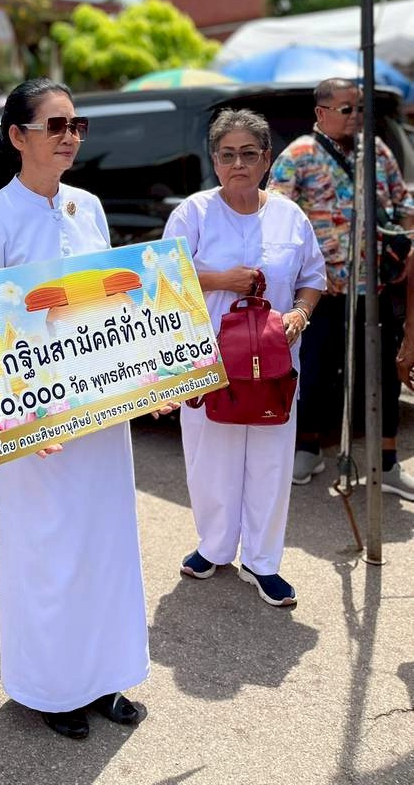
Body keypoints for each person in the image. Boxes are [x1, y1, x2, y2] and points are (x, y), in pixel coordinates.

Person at [0, 78, 150, 741]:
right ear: (18, 136)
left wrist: (150, 378)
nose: (70, 136)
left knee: (104, 545)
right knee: (47, 553)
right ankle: (51, 687)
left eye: (77, 125)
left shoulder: (88, 207)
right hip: (37, 420)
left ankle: (105, 675)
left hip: (100, 414)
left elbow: (116, 309)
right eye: (56, 125)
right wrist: (18, 418)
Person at [164, 109, 325, 607]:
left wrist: (300, 313)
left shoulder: (289, 216)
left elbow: (312, 279)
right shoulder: (193, 213)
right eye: (228, 154)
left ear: (266, 159)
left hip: (274, 363)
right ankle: (213, 547)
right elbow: (163, 279)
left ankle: (262, 561)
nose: (238, 164)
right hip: (209, 360)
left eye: (248, 154)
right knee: (210, 457)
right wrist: (220, 280)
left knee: (270, 461)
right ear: (215, 161)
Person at [268, 79, 414, 499]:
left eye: (360, 109)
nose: (355, 117)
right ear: (322, 113)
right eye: (346, 109)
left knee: (382, 373)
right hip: (323, 291)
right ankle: (307, 449)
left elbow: (403, 203)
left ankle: (386, 462)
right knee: (313, 371)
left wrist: (405, 246)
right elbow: (275, 218)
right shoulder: (299, 155)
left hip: (375, 285)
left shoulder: (376, 151)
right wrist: (304, 268)